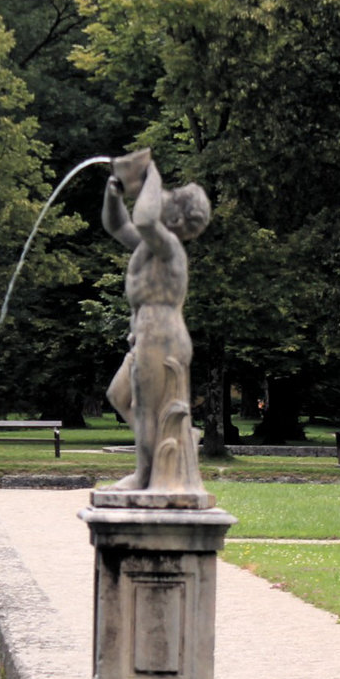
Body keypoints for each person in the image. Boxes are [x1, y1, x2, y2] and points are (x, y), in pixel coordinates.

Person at [102, 151, 211, 493]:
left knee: (146, 408)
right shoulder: (150, 246)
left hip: (161, 334)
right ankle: (168, 451)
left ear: (177, 220)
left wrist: (151, 175)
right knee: (119, 396)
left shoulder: (169, 246)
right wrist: (113, 194)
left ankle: (145, 476)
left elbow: (146, 220)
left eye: (167, 200)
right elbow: (118, 225)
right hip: (146, 333)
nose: (158, 200)